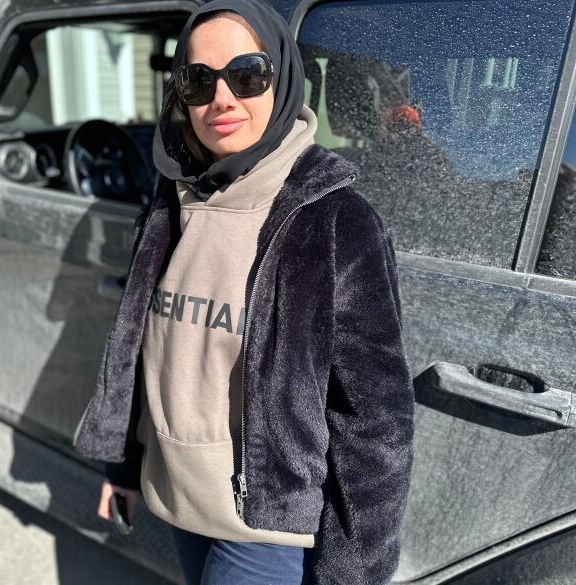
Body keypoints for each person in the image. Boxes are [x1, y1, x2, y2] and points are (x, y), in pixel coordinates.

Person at [72, 0, 416, 583]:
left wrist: (352, 571)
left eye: (247, 74)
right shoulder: (173, 197)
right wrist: (123, 467)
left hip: (261, 524)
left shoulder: (334, 218)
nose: (221, 99)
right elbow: (136, 348)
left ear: (281, 81)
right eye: (198, 80)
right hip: (175, 495)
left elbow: (376, 419)